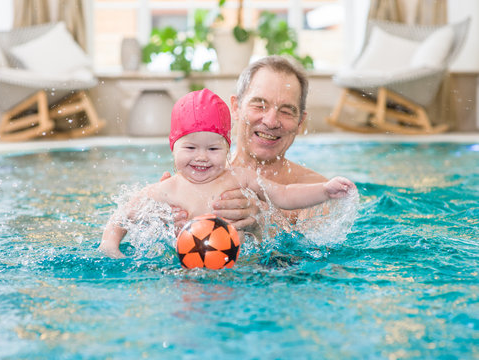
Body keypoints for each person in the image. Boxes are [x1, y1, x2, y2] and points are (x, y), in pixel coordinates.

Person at [99, 88, 355, 258]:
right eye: (190, 147)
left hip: (240, 269)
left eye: (212, 148)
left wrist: (324, 190)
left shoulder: (239, 177)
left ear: (226, 148)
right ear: (173, 148)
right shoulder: (166, 190)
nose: (201, 156)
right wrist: (110, 245)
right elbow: (123, 215)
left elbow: (284, 194)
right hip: (182, 273)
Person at [168, 55, 330, 233]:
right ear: (236, 108)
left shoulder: (317, 193)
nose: (271, 121)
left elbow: (317, 255)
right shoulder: (193, 177)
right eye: (260, 106)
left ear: (300, 123)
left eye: (285, 111)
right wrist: (165, 226)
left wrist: (265, 221)